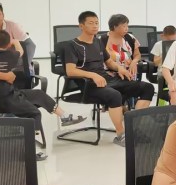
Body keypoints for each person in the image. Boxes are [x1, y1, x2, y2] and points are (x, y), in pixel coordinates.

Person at [0, 30, 85, 160]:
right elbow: (21, 51)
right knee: (34, 114)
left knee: (38, 94)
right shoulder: (9, 55)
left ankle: (65, 117)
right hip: (6, 97)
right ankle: (31, 151)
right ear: (8, 45)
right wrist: (16, 42)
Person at [64, 11, 154, 147]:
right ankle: (121, 135)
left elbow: (109, 62)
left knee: (147, 88)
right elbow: (70, 70)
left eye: (96, 23)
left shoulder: (98, 42)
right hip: (89, 84)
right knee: (114, 95)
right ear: (81, 26)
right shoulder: (72, 45)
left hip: (107, 79)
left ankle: (133, 127)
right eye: (91, 23)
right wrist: (93, 75)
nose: (95, 26)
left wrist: (120, 69)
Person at [100, 14, 142, 79]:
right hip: (108, 76)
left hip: (129, 74)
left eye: (127, 26)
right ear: (115, 27)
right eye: (124, 26)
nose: (127, 29)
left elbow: (137, 55)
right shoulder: (102, 40)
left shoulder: (130, 38)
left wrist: (134, 62)